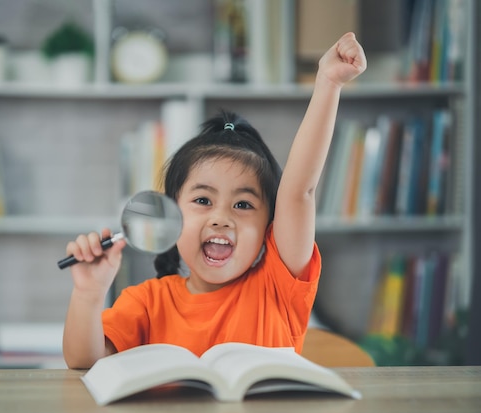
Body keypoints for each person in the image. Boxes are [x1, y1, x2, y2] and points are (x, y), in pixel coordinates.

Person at [62, 32, 367, 368]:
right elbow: (82, 362)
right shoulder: (147, 302)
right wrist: (89, 295)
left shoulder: (277, 287)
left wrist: (327, 82)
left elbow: (298, 192)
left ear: (270, 226)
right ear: (170, 216)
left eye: (243, 205)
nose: (221, 218)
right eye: (203, 201)